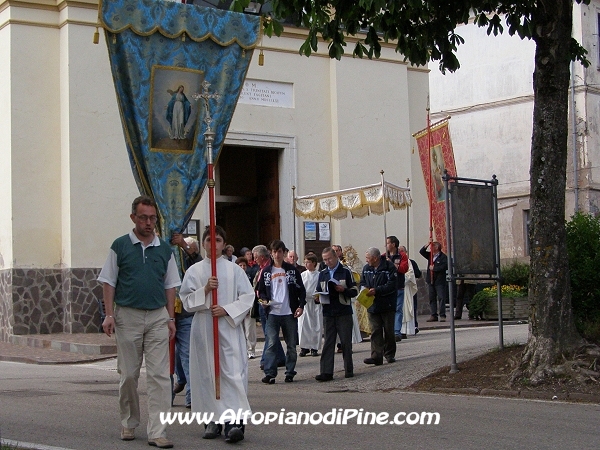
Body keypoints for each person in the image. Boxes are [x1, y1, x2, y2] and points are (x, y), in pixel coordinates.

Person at [98, 195, 180, 449]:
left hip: (157, 317)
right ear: (133, 217)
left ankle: (157, 431)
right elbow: (108, 281)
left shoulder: (164, 249)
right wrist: (109, 315)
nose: (148, 222)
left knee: (159, 376)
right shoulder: (120, 246)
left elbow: (170, 286)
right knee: (129, 375)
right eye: (143, 217)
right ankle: (129, 421)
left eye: (152, 218)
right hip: (127, 316)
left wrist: (170, 318)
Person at [179, 225, 255, 443]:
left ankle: (233, 423)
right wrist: (204, 290)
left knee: (231, 374)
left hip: (228, 327)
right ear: (203, 243)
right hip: (204, 328)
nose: (213, 244)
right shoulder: (194, 271)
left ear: (224, 244)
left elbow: (248, 297)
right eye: (209, 240)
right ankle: (212, 419)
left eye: (218, 240)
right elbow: (186, 300)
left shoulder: (235, 270)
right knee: (206, 374)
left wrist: (227, 309)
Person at [257, 240, 306, 384]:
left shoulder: (291, 270)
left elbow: (301, 290)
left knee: (291, 344)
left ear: (284, 253)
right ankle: (270, 373)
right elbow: (260, 292)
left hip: (288, 312)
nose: (277, 254)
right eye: (274, 252)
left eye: (279, 252)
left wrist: (301, 305)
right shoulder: (266, 272)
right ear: (271, 254)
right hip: (272, 313)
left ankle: (290, 372)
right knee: (271, 343)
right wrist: (264, 302)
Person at [315, 247, 358, 381]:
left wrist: (343, 290)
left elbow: (355, 290)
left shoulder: (345, 271)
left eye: (329, 259)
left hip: (343, 311)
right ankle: (326, 372)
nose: (327, 262)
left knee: (345, 341)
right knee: (328, 342)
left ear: (335, 257)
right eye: (325, 260)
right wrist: (318, 298)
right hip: (328, 311)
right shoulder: (322, 273)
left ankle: (348, 369)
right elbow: (318, 290)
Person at [169, 234, 202, 408]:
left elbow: (199, 263)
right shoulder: (163, 253)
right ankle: (166, 398)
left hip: (185, 313)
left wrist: (183, 245)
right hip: (164, 312)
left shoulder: (188, 259)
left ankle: (191, 397)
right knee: (166, 358)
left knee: (188, 356)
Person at [360, 247, 397, 365]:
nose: (366, 260)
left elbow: (392, 284)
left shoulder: (389, 267)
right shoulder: (366, 269)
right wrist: (365, 289)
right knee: (375, 330)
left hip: (387, 304)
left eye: (367, 258)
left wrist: (377, 290)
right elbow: (362, 282)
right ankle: (376, 356)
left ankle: (389, 354)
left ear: (375, 258)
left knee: (388, 330)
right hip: (372, 304)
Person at [252, 245, 286, 370]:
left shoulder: (270, 268)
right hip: (262, 303)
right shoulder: (261, 268)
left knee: (269, 333)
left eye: (255, 257)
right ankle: (281, 358)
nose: (254, 259)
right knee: (271, 333)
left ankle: (265, 360)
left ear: (261, 257)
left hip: (269, 304)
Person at [298, 253, 322, 357]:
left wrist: (319, 296)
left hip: (316, 302)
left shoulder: (319, 275)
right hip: (306, 302)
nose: (306, 264)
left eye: (308, 262)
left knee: (316, 325)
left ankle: (314, 347)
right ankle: (304, 347)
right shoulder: (303, 275)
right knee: (304, 325)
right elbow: (300, 288)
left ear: (314, 263)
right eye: (305, 262)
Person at [385, 236, 409, 341]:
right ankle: (388, 331)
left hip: (398, 286)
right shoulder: (383, 256)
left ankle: (396, 332)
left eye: (388, 243)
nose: (386, 245)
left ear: (393, 244)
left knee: (398, 309)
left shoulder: (402, 256)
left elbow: (404, 268)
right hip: (387, 287)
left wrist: (391, 263)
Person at [419, 241, 449, 322]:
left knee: (441, 298)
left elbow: (445, 267)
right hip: (431, 281)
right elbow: (421, 252)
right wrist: (427, 244)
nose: (430, 248)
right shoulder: (430, 256)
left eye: (432, 246)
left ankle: (442, 315)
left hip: (439, 281)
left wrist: (434, 268)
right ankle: (433, 315)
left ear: (436, 247)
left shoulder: (443, 257)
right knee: (432, 298)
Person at [235, 257, 257, 359]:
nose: (243, 267)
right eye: (240, 265)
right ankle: (241, 349)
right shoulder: (233, 277)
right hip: (238, 308)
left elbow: (252, 292)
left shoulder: (250, 276)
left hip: (249, 308)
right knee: (240, 330)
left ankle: (251, 349)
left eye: (244, 265)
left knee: (250, 331)